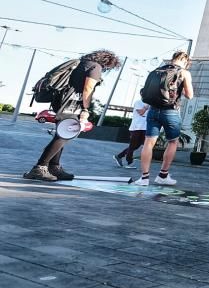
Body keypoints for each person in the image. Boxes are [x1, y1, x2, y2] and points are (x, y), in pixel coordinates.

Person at [24, 50, 122, 181]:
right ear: (107, 63)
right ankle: (39, 168)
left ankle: (54, 167)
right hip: (71, 105)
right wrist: (86, 109)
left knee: (61, 135)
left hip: (60, 101)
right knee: (64, 136)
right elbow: (88, 88)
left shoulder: (81, 63)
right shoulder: (95, 67)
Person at [133, 51, 194, 186]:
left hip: (153, 110)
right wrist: (182, 89)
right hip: (170, 112)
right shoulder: (184, 73)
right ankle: (163, 175)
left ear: (173, 59)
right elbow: (190, 95)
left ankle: (144, 178)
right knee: (173, 142)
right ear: (185, 61)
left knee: (149, 143)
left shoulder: (158, 70)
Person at [114, 92, 148, 169]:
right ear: (141, 93)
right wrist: (147, 106)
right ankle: (129, 162)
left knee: (137, 145)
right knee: (133, 145)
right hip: (136, 127)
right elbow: (141, 113)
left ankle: (119, 156)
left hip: (144, 127)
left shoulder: (149, 103)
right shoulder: (138, 102)